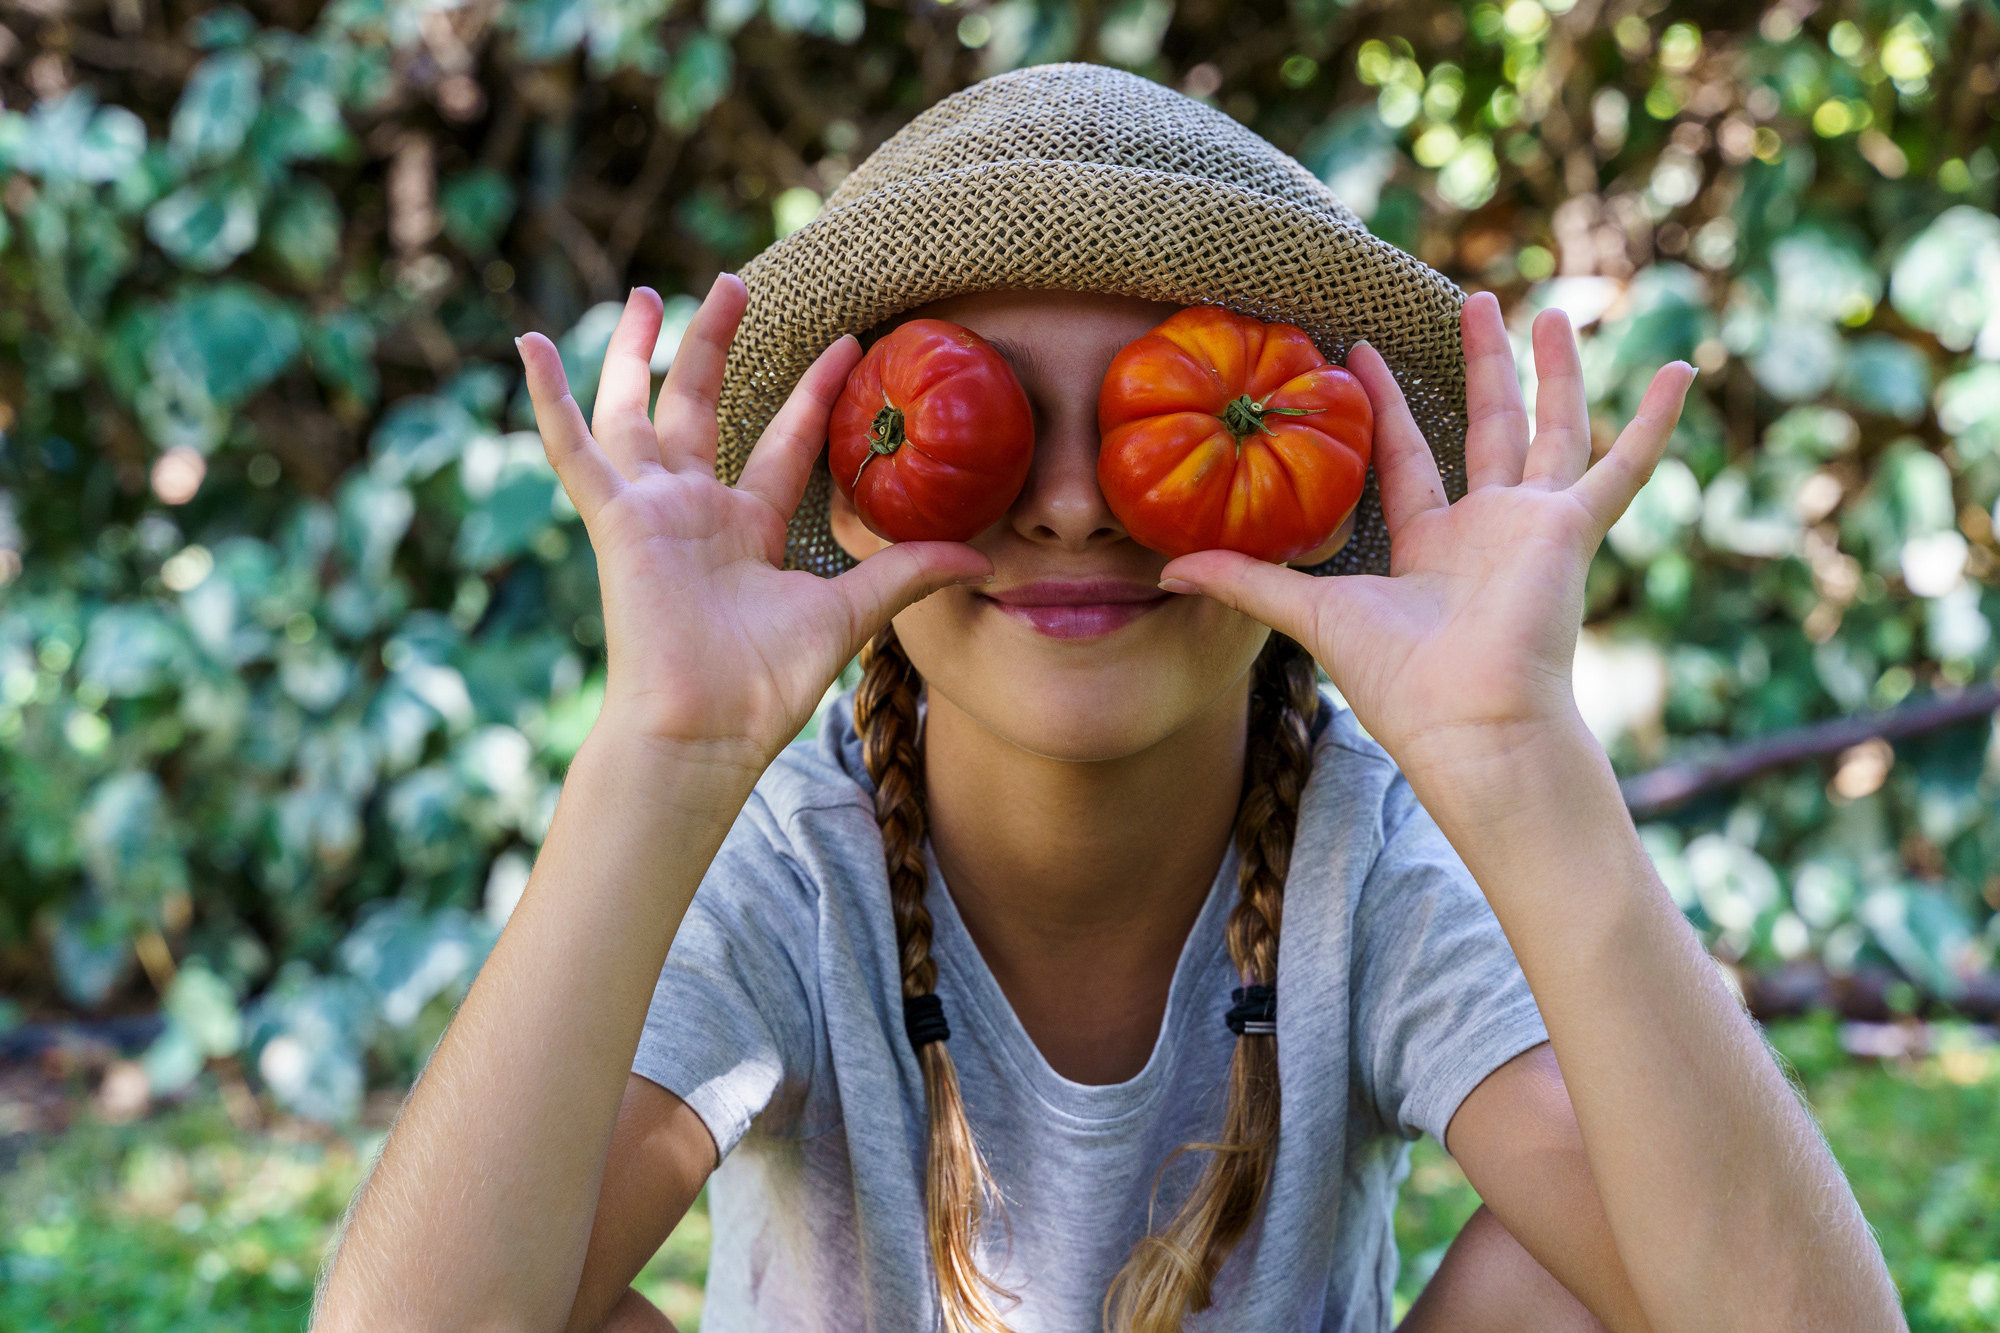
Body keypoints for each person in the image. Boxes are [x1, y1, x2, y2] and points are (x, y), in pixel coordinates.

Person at [313, 66, 1902, 1333]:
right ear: (854, 501)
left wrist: (1521, 756)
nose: (1075, 507)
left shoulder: (1368, 864)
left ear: (1310, 494)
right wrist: (659, 753)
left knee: (1599, 1273)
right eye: (985, 430)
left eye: (1175, 423)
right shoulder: (800, 868)